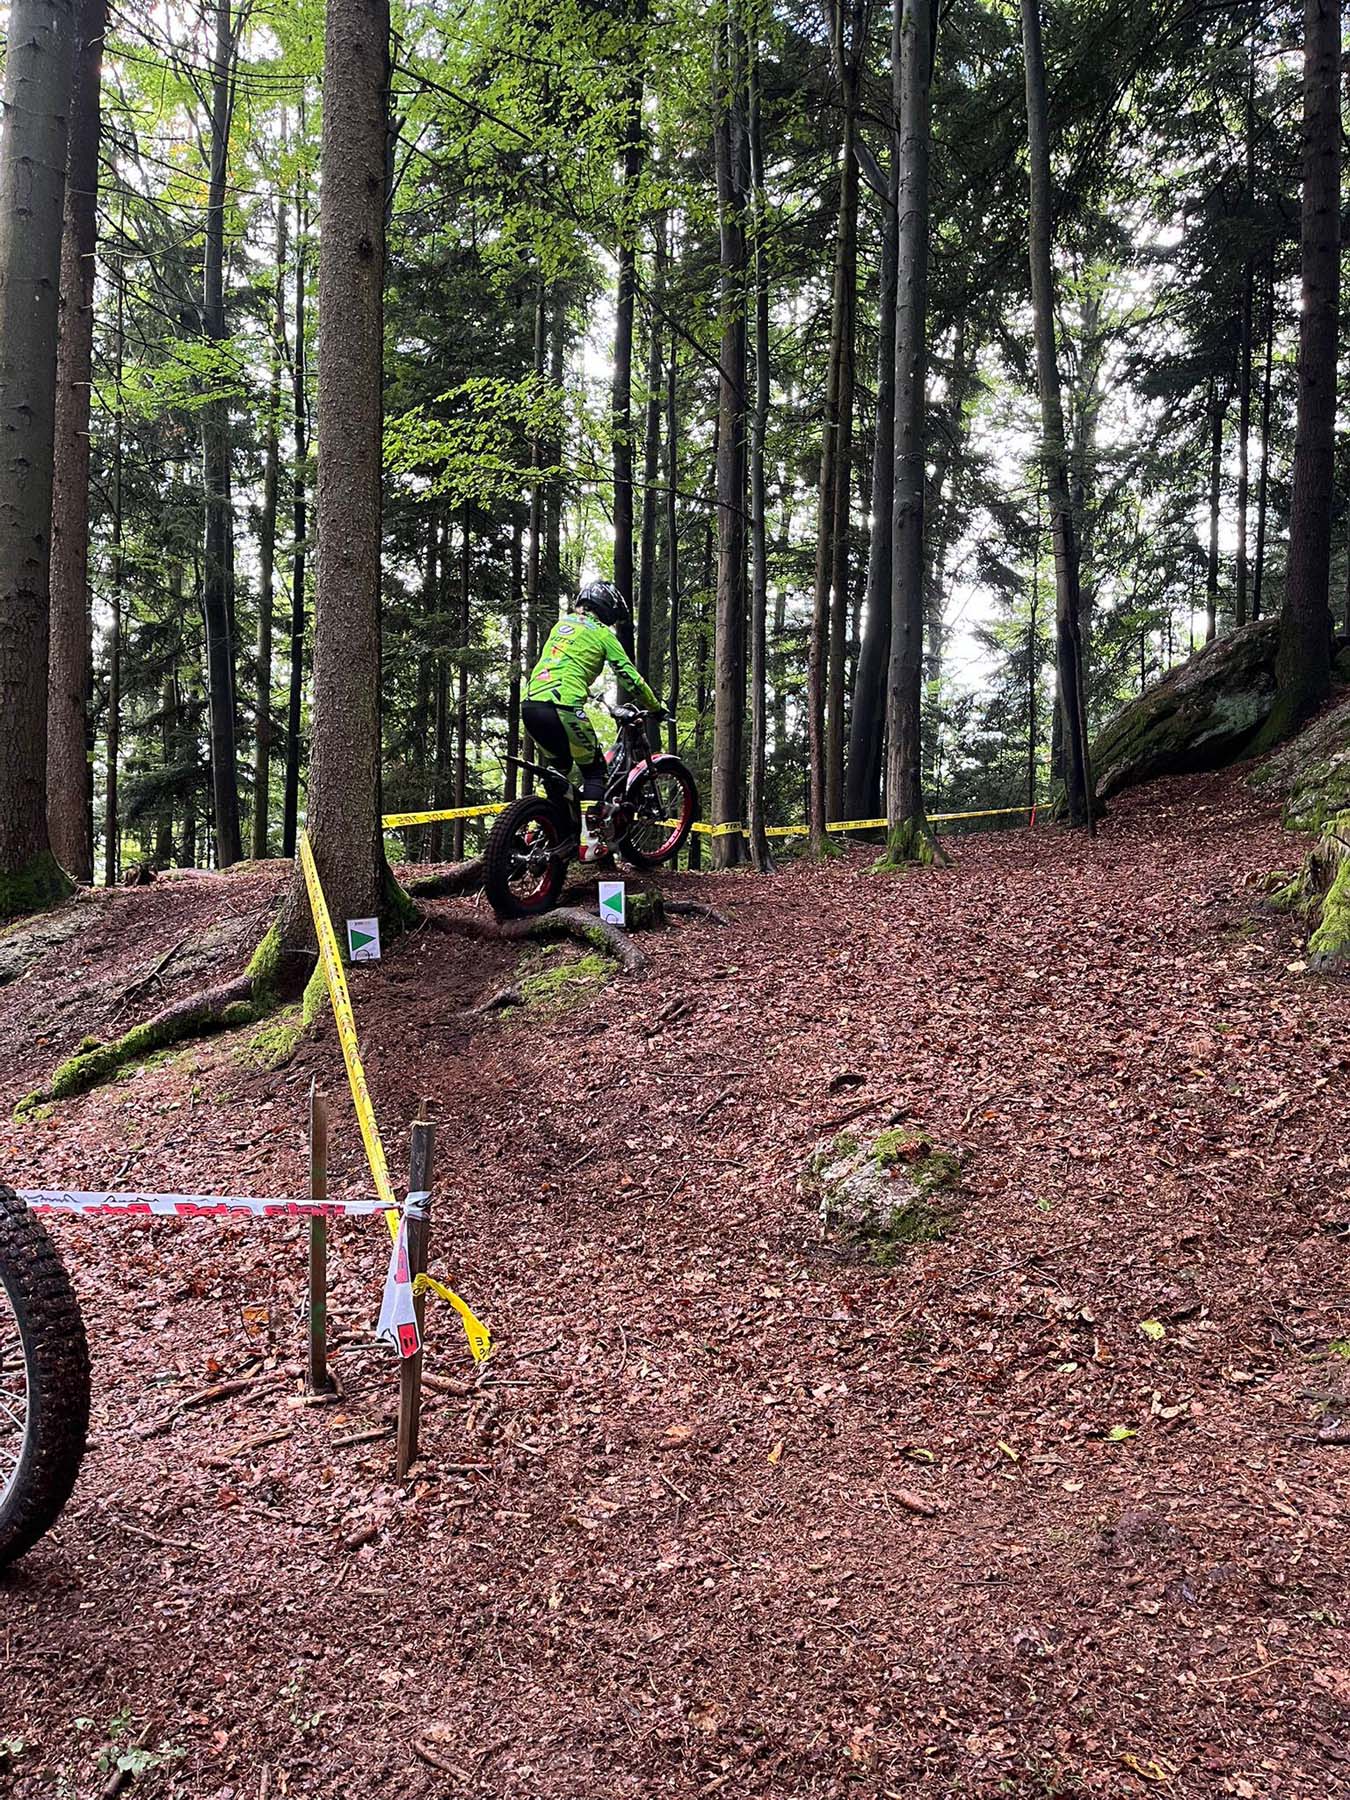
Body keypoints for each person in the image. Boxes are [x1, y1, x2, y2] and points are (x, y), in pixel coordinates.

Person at [523, 580, 662, 861]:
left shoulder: (561, 625)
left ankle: (536, 829)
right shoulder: (602, 633)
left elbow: (563, 664)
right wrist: (655, 707)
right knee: (595, 770)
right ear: (607, 609)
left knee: (558, 768)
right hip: (564, 706)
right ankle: (590, 841)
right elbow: (629, 677)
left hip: (531, 706)